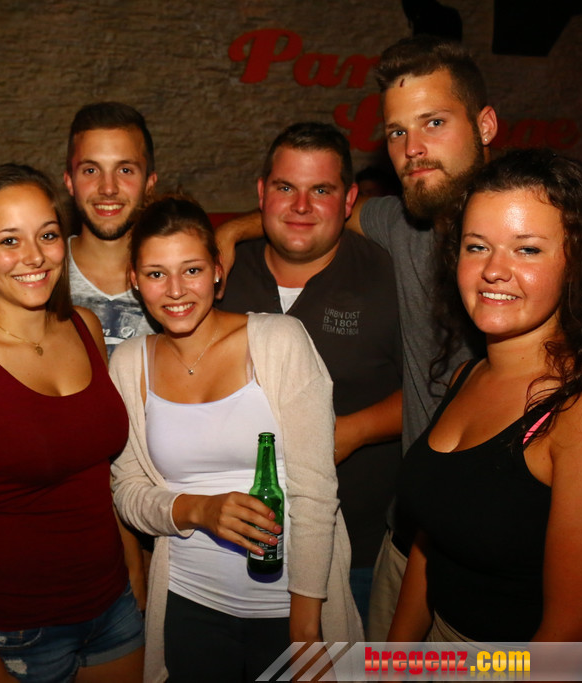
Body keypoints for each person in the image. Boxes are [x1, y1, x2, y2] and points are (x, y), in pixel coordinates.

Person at [215, 35, 582, 640]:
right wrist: (233, 230)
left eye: (433, 122)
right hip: (418, 540)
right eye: (396, 132)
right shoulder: (403, 225)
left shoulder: (560, 224)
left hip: (519, 579)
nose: (413, 148)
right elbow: (317, 213)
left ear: (485, 124)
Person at [389, 149, 582, 653]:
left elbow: (572, 642)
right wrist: (393, 664)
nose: (494, 270)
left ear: (578, 264)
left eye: (528, 249)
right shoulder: (468, 376)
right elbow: (433, 541)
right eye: (477, 246)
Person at [110, 196, 362, 682]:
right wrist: (199, 510)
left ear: (218, 272)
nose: (176, 290)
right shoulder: (128, 364)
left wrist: (305, 627)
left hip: (288, 608)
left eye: (192, 270)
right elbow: (128, 493)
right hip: (189, 606)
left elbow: (316, 489)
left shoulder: (279, 341)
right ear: (134, 280)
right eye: (157, 274)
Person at [0, 164, 145, 682]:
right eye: (9, 240)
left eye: (46, 235)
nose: (34, 256)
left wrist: (133, 564)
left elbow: (101, 471)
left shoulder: (84, 327)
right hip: (22, 631)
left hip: (114, 606)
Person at [218, 122, 402, 623]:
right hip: (229, 546)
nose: (301, 206)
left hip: (357, 550)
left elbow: (440, 389)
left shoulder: (389, 276)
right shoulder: (220, 272)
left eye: (321, 190)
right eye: (286, 188)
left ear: (349, 200)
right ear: (262, 193)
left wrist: (353, 431)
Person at [64, 102, 159, 355]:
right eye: (91, 170)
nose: (108, 188)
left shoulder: (179, 277)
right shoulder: (38, 272)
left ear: (149, 183)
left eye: (125, 170)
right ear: (69, 181)